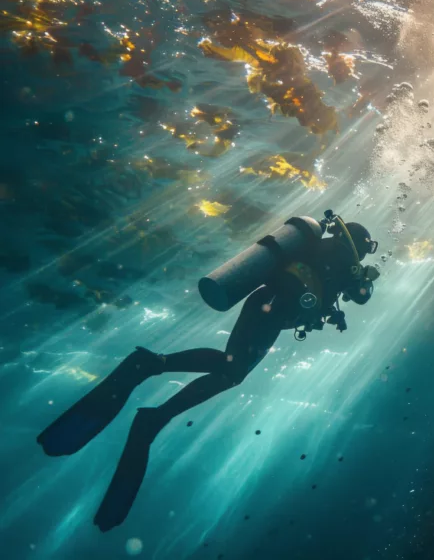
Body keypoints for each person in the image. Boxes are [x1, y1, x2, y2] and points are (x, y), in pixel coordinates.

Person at [37, 211, 379, 531]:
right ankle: (155, 390)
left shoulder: (325, 253)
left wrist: (331, 312)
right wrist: (358, 281)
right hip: (274, 307)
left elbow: (321, 290)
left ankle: (156, 390)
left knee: (232, 368)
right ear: (360, 245)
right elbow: (361, 294)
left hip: (270, 303)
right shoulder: (344, 259)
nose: (364, 256)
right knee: (232, 369)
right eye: (366, 250)